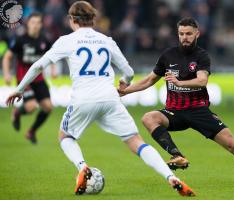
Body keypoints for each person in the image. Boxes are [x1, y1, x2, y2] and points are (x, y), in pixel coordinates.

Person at [6, 1, 195, 196]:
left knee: (65, 136)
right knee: (136, 141)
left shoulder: (67, 40)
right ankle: (171, 177)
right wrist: (123, 81)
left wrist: (19, 89)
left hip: (83, 99)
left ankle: (82, 167)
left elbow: (38, 66)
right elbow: (128, 71)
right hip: (110, 98)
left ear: (72, 20)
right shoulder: (107, 40)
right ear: (93, 19)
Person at [118, 17, 234, 185]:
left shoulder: (202, 56)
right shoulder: (168, 55)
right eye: (181, 34)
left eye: (188, 34)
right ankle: (177, 155)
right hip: (175, 111)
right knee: (148, 118)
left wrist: (180, 82)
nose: (185, 37)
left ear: (197, 34)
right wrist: (125, 91)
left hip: (199, 111)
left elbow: (202, 80)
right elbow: (149, 80)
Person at [2, 12, 56, 144]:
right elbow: (7, 57)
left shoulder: (44, 40)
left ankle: (31, 131)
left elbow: (53, 55)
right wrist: (7, 73)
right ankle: (17, 112)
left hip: (39, 79)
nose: (35, 25)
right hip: (24, 78)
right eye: (33, 22)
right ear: (28, 24)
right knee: (31, 107)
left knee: (48, 107)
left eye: (38, 23)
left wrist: (53, 70)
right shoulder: (20, 39)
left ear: (41, 25)